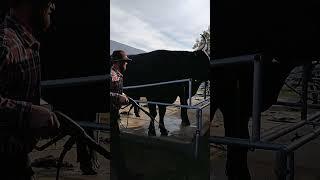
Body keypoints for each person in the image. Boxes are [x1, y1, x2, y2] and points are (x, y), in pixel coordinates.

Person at [0, 0, 59, 179]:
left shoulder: (22, 41)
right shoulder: (6, 44)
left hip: (15, 156)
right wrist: (29, 112)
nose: (52, 6)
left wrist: (39, 107)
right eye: (48, 1)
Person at [110, 50, 133, 180]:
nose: (126, 64)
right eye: (125, 62)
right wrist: (118, 96)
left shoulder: (118, 74)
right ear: (118, 63)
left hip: (115, 113)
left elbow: (116, 91)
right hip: (111, 115)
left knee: (116, 144)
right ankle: (122, 174)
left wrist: (122, 95)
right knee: (117, 146)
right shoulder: (110, 75)